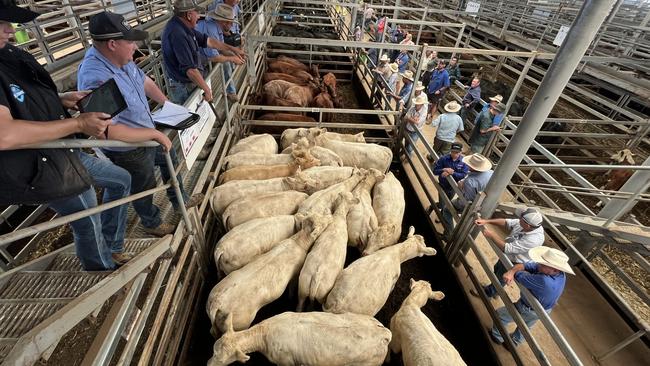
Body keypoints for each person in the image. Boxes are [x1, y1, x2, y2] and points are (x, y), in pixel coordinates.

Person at [0, 1, 131, 270]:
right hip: (39, 165)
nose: (11, 31)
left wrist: (61, 99)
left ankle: (111, 245)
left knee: (120, 180)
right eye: (2, 24)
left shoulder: (8, 54)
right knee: (87, 218)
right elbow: (5, 134)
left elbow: (24, 100)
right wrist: (78, 125)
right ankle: (99, 267)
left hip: (62, 151)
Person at [78, 11, 205, 237]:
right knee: (142, 184)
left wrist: (167, 105)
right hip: (128, 146)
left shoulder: (121, 59)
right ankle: (151, 222)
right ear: (113, 44)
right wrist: (155, 135)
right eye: (130, 42)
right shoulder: (95, 77)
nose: (135, 47)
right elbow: (106, 130)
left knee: (170, 161)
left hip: (145, 129)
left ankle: (181, 200)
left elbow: (144, 81)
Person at [161, 0, 245, 105]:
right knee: (190, 116)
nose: (199, 17)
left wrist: (233, 49)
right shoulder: (178, 34)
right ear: (189, 15)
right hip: (183, 85)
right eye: (197, 13)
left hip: (190, 80)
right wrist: (207, 89)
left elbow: (208, 41)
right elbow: (190, 70)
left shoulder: (184, 26)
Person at [488, 246, 574, 346]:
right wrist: (519, 269)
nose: (539, 264)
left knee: (500, 315)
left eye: (544, 264)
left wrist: (513, 271)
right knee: (525, 326)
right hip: (545, 309)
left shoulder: (544, 281)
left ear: (555, 269)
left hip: (527, 307)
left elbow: (520, 276)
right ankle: (514, 342)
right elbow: (531, 266)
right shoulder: (561, 275)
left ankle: (497, 336)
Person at [474, 207, 545, 299]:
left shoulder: (534, 239)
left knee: (500, 278)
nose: (518, 219)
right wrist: (487, 221)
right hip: (509, 255)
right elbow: (507, 222)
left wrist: (492, 235)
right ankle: (495, 292)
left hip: (516, 261)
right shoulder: (526, 224)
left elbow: (507, 248)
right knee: (497, 269)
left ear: (527, 225)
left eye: (521, 219)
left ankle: (488, 293)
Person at [196, 4, 243, 103]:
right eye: (231, 23)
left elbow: (221, 48)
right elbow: (214, 57)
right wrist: (233, 59)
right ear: (224, 22)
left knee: (225, 63)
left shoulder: (216, 27)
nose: (232, 26)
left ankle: (229, 91)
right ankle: (209, 101)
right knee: (198, 90)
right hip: (192, 63)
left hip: (199, 59)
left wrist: (235, 55)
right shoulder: (211, 30)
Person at [441, 154, 493, 232]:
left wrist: (462, 187)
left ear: (472, 166)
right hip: (486, 203)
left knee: (447, 209)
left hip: (473, 205)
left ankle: (449, 233)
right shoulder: (491, 172)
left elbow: (465, 202)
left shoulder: (470, 182)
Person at [432, 142, 468, 213]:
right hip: (443, 185)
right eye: (453, 152)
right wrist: (443, 169)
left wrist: (452, 173)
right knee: (442, 203)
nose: (454, 154)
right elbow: (435, 171)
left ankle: (434, 207)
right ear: (450, 150)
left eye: (457, 152)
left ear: (461, 152)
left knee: (448, 203)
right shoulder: (444, 159)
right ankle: (441, 214)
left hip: (454, 188)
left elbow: (463, 175)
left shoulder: (464, 162)